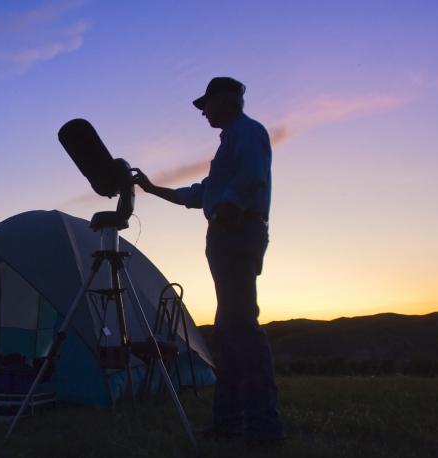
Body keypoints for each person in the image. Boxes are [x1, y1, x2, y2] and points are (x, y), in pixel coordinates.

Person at [134, 77, 284, 447]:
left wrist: (225, 213)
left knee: (242, 329)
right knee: (230, 332)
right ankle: (230, 422)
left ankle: (264, 428)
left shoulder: (246, 132)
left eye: (207, 104)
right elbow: (200, 194)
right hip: (229, 234)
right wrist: (153, 189)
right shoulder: (230, 142)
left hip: (235, 233)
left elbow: (250, 179)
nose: (203, 112)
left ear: (228, 99)